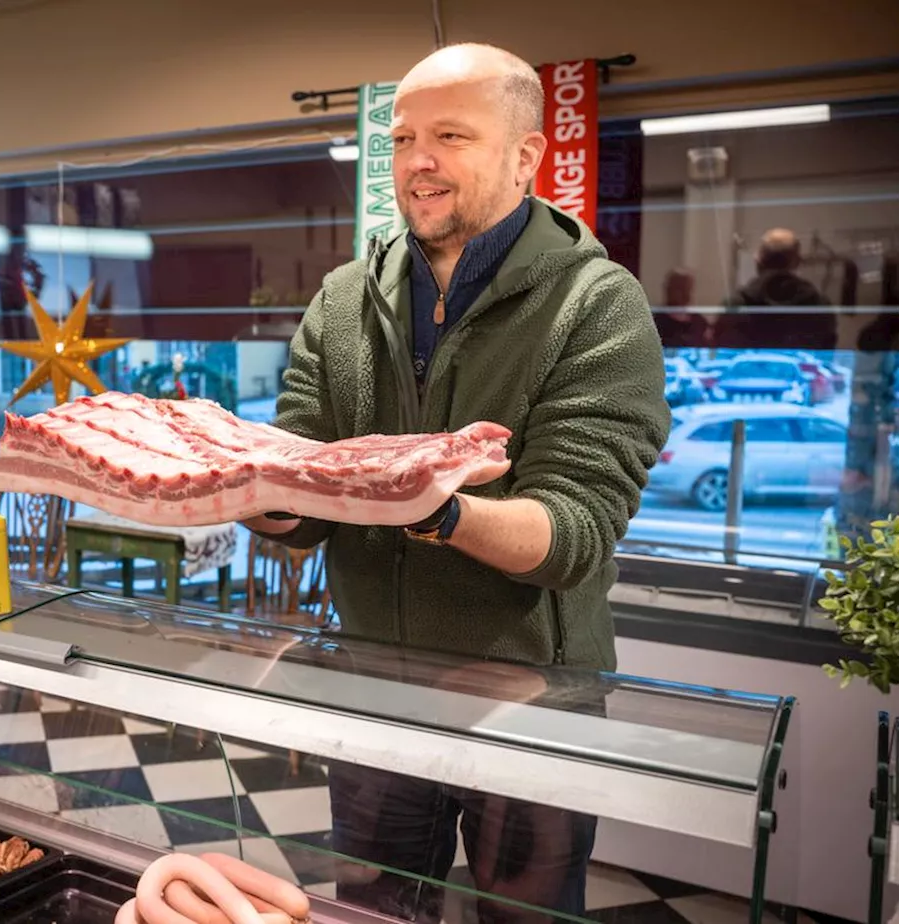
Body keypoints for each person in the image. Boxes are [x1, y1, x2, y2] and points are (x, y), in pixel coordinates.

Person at [243, 42, 671, 923]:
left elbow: (576, 532)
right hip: (374, 685)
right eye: (401, 139)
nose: (418, 162)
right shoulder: (340, 301)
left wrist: (432, 510)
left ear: (525, 155)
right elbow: (304, 499)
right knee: (372, 911)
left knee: (526, 915)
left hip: (533, 698)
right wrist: (243, 489)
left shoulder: (598, 305)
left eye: (450, 136)